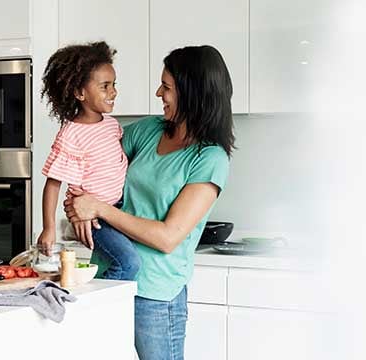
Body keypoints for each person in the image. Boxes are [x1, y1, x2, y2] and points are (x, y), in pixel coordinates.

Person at [64, 45, 236, 359]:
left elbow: (167, 237)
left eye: (167, 87)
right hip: (109, 279)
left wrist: (97, 208)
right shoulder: (147, 130)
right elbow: (92, 160)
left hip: (156, 296)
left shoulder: (210, 158)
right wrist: (76, 202)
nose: (159, 93)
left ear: (192, 93)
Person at [36, 41, 140, 280]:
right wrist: (49, 228)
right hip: (96, 221)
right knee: (129, 263)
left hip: (119, 209)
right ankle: (102, 299)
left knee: (128, 259)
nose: (113, 92)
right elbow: (53, 183)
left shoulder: (112, 125)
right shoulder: (71, 134)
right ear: (80, 93)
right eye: (105, 86)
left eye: (114, 85)